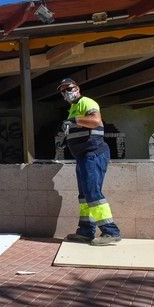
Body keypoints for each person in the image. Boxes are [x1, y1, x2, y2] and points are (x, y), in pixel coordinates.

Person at [57, 78, 121, 246]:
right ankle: (85, 232)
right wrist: (68, 138)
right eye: (63, 91)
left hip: (93, 154)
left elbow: (95, 121)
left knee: (92, 193)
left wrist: (75, 121)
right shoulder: (73, 108)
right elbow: (81, 129)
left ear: (77, 88)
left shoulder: (86, 102)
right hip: (83, 156)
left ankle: (110, 231)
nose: (66, 93)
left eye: (68, 88)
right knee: (84, 196)